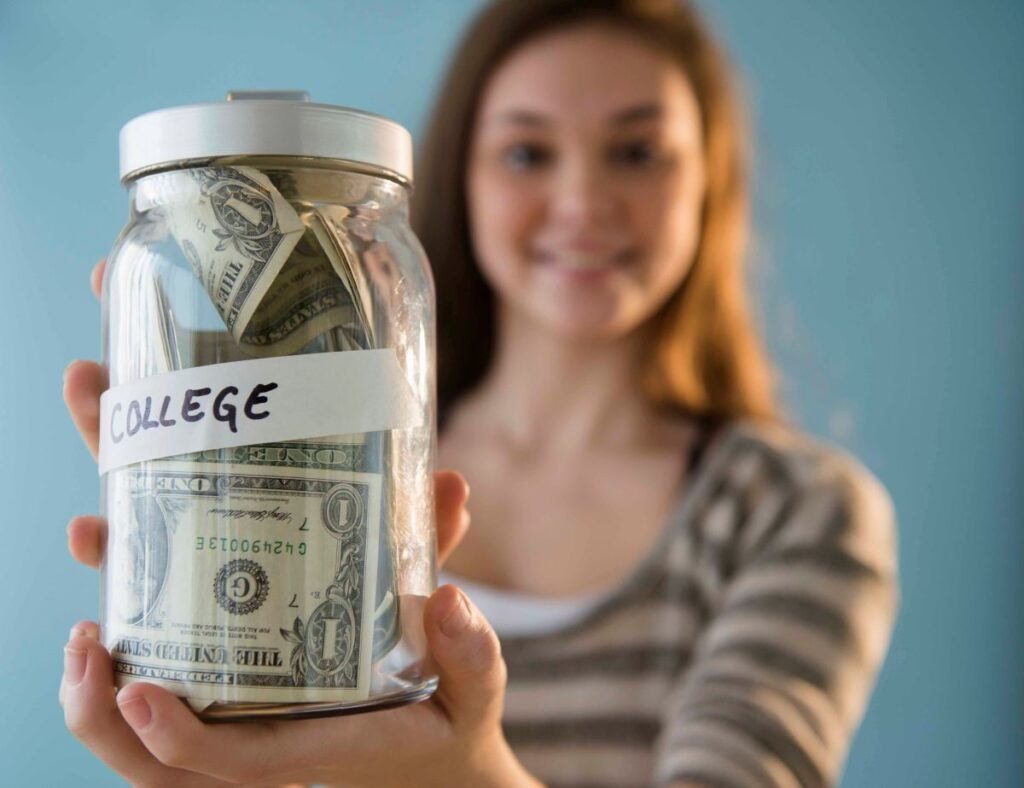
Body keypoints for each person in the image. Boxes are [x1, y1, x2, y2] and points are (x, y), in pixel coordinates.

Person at [60, 0, 898, 785]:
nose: (583, 203)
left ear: (711, 180)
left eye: (638, 151)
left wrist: (466, 771)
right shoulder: (359, 459)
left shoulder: (795, 510)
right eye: (527, 153)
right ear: (462, 176)